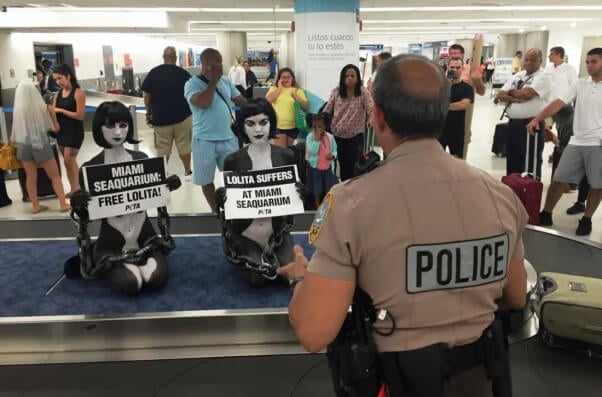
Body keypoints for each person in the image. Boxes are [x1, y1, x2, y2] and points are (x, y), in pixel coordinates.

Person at [277, 54, 527, 396]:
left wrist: (301, 277)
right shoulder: (500, 196)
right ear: (442, 112)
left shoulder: (351, 203)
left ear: (377, 116)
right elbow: (514, 295)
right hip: (479, 378)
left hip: (396, 381)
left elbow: (313, 331)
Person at [65, 101, 179, 296]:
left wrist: (167, 185)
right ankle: (98, 254)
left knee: (155, 279)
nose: (117, 132)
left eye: (123, 125)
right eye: (110, 125)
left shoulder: (141, 159)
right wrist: (79, 204)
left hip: (146, 238)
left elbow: (155, 194)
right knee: (130, 284)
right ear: (99, 128)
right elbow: (88, 215)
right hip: (111, 243)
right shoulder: (91, 169)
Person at [216, 98, 299, 287]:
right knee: (257, 279)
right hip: (246, 232)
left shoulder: (286, 156)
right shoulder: (233, 160)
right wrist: (221, 198)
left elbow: (293, 193)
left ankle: (274, 258)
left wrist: (301, 192)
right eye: (250, 124)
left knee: (291, 272)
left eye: (263, 122)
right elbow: (228, 202)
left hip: (277, 231)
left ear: (271, 123)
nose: (258, 130)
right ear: (243, 127)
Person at [527, 47, 602, 236]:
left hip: (598, 144)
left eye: (594, 62)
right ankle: (546, 213)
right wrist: (537, 118)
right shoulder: (580, 84)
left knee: (597, 185)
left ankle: (586, 219)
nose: (590, 66)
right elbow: (558, 103)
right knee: (559, 179)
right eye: (587, 62)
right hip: (577, 142)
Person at [184, 48, 246, 213]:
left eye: (220, 63)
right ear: (203, 64)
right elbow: (203, 102)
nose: (217, 67)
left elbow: (240, 100)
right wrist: (213, 81)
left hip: (228, 138)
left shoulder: (225, 81)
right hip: (204, 140)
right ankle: (215, 212)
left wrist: (260, 107)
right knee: (206, 181)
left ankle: (234, 209)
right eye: (213, 64)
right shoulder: (192, 84)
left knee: (234, 178)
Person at [12, 81, 69, 214]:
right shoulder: (44, 107)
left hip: (24, 146)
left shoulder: (18, 110)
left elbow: (14, 135)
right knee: (54, 176)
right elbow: (55, 128)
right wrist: (53, 115)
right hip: (41, 144)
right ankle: (62, 203)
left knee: (30, 176)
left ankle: (35, 206)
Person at [497, 48, 551, 177]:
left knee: (530, 160)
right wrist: (515, 96)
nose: (528, 63)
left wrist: (512, 93)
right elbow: (501, 94)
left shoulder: (544, 76)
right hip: (513, 124)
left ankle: (530, 190)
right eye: (526, 60)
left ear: (540, 61)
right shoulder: (518, 75)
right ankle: (513, 188)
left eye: (532, 60)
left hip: (531, 124)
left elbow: (527, 94)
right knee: (512, 159)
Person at [142, 46, 193, 180]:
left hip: (161, 118)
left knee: (163, 148)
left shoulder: (153, 73)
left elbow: (147, 95)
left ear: (163, 57)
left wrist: (148, 113)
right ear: (176, 58)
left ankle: (162, 173)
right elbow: (192, 94)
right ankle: (187, 171)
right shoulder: (183, 74)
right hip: (183, 117)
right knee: (184, 145)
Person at [322, 64, 373, 181]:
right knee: (343, 166)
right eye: (347, 76)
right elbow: (327, 110)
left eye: (352, 75)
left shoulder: (363, 92)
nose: (349, 78)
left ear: (357, 77)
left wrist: (370, 118)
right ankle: (345, 189)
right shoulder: (336, 92)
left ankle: (355, 190)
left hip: (356, 136)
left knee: (355, 166)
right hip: (337, 135)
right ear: (342, 78)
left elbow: (371, 108)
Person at [51, 63, 86, 196]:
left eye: (60, 78)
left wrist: (61, 110)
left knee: (68, 160)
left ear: (68, 76)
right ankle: (75, 188)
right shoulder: (57, 94)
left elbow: (80, 115)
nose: (58, 82)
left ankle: (76, 189)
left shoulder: (78, 93)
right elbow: (53, 111)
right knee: (68, 163)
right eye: (55, 79)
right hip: (62, 131)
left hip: (74, 132)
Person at [439, 57, 475, 157]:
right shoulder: (440, 87)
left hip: (457, 131)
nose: (455, 70)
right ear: (447, 68)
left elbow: (463, 105)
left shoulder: (467, 88)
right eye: (452, 67)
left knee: (457, 160)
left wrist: (442, 105)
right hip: (439, 131)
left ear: (462, 68)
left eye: (458, 67)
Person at [265, 67, 308, 148]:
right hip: (278, 126)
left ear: (292, 78)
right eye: (283, 77)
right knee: (282, 153)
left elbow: (305, 106)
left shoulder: (297, 90)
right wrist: (280, 88)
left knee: (290, 153)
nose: (286, 79)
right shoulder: (274, 89)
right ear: (279, 79)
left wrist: (295, 96)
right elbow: (267, 101)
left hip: (293, 126)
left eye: (288, 77)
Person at [305, 112, 338, 207]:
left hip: (327, 168)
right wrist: (317, 140)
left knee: (328, 188)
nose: (317, 129)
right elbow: (312, 151)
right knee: (317, 189)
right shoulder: (310, 138)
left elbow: (335, 149)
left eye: (320, 127)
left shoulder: (330, 137)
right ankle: (317, 206)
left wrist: (333, 155)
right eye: (314, 127)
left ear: (325, 126)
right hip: (315, 169)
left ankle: (327, 205)